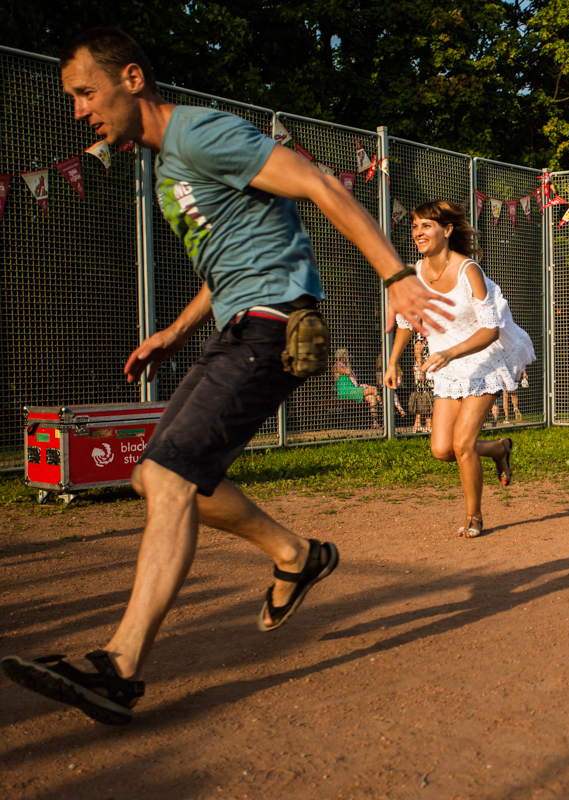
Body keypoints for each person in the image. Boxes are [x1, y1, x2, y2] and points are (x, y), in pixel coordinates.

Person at [0, 28, 452, 726]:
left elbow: (319, 182)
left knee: (174, 478)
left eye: (85, 94)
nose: (79, 112)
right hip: (242, 321)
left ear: (130, 77)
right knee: (157, 476)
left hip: (275, 323)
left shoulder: (198, 134)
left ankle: (118, 667)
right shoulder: (166, 164)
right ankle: (295, 554)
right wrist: (174, 332)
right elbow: (233, 260)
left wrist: (394, 275)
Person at [384, 200, 534, 537]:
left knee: (463, 444)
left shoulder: (468, 271)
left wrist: (451, 352)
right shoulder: (416, 273)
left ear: (447, 230)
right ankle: (498, 448)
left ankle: (474, 516)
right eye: (415, 226)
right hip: (449, 366)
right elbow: (410, 320)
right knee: (441, 449)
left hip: (484, 359)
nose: (418, 232)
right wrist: (393, 362)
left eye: (426, 225)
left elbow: (490, 329)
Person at [334, 347, 381, 428]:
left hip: (353, 390)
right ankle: (383, 405)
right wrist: (348, 362)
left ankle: (375, 423)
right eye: (346, 354)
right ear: (341, 355)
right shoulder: (336, 365)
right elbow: (347, 372)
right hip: (345, 392)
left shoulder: (346, 366)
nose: (347, 355)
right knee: (373, 389)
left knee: (372, 398)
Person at [408, 333, 433, 432]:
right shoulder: (420, 338)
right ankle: (426, 424)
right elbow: (418, 354)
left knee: (425, 396)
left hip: (430, 370)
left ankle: (418, 424)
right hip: (423, 370)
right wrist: (421, 370)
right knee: (424, 396)